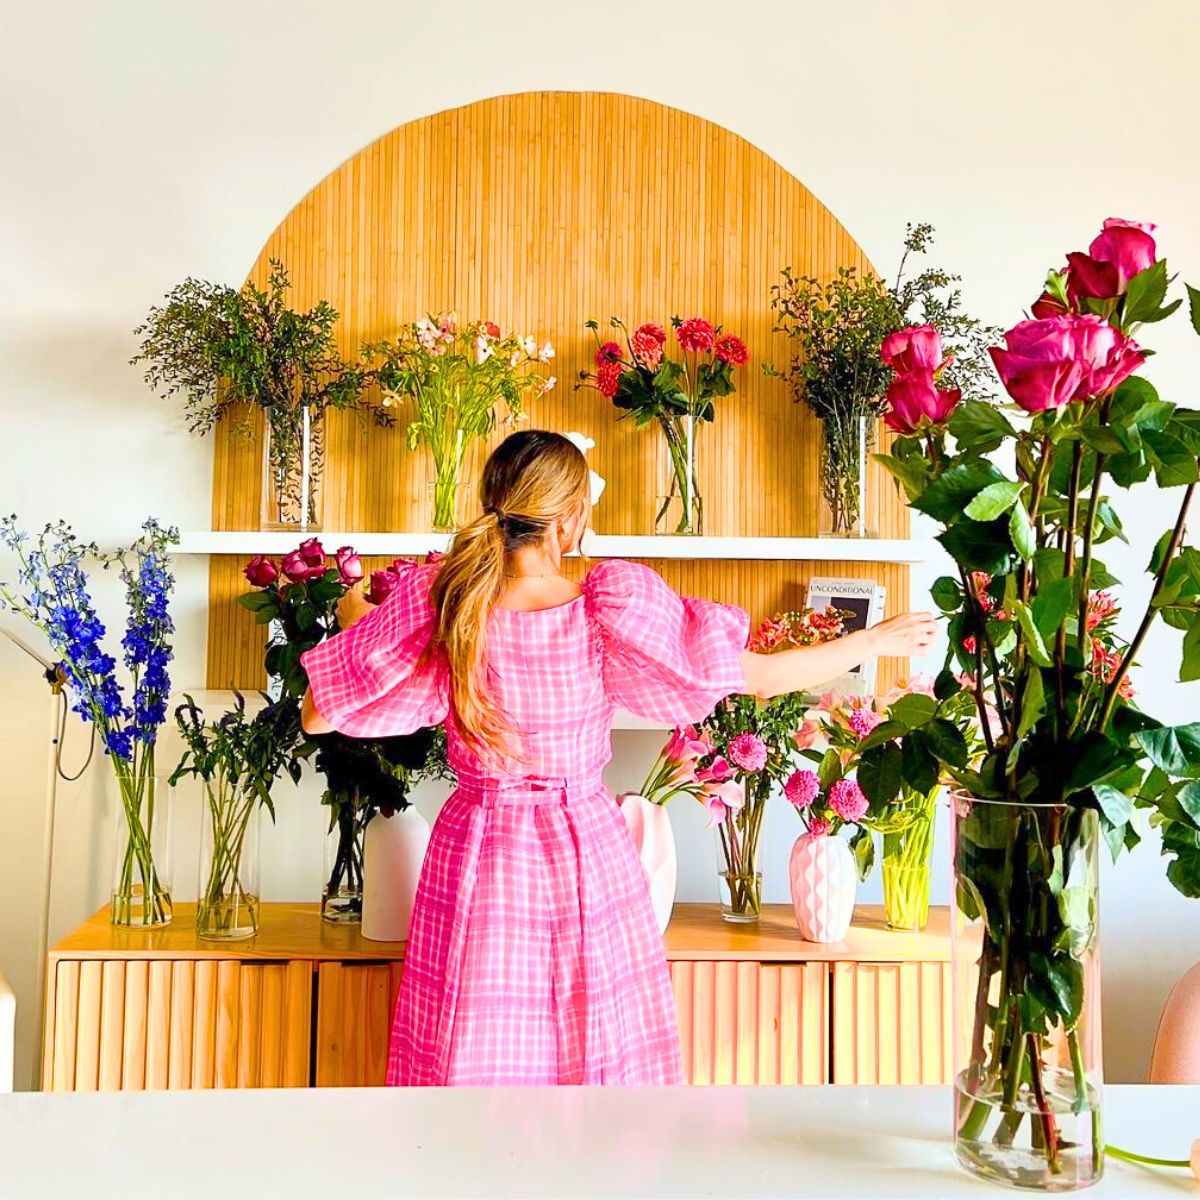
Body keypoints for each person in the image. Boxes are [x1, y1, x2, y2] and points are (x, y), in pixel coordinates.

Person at [300, 430, 936, 1086]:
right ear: (570, 517)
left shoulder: (448, 605)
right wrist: (874, 638)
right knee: (594, 1046)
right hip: (583, 848)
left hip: (478, 850)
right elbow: (761, 678)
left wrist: (359, 622)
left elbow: (320, 714)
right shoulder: (604, 610)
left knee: (472, 1047)